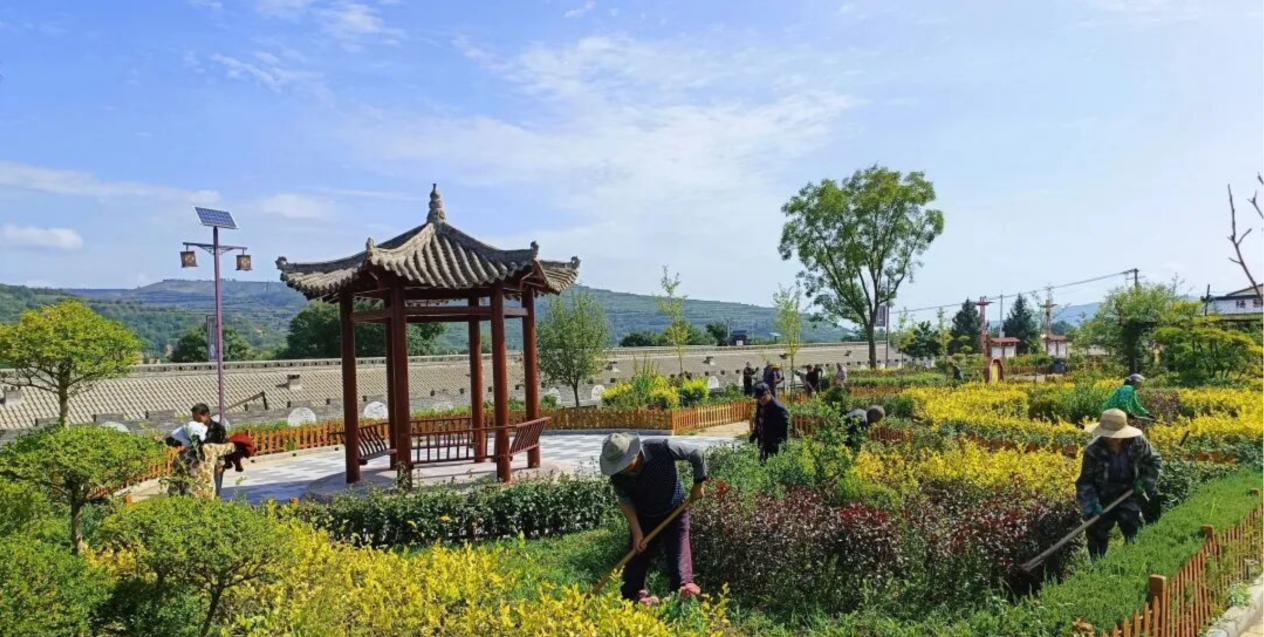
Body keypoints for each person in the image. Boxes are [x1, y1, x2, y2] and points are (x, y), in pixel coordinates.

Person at [600, 432, 707, 605]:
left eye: (623, 464)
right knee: (634, 567)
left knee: (680, 565)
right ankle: (636, 600)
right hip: (644, 518)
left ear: (633, 454)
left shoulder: (660, 448)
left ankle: (680, 600)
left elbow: (697, 453)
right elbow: (625, 501)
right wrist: (637, 532)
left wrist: (698, 484)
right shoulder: (617, 475)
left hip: (675, 512)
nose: (621, 469)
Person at [1076, 408, 1162, 560]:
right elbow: (1085, 482)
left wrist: (1144, 481)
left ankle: (1134, 562)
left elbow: (1154, 461)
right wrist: (1092, 506)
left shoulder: (1137, 442)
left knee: (1134, 529)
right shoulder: (1093, 450)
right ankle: (1098, 567)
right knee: (1096, 533)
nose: (1113, 439)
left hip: (1129, 492)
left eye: (1116, 435)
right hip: (1102, 496)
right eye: (1109, 436)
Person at [165, 403, 234, 499]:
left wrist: (220, 464)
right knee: (194, 487)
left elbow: (221, 446)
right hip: (195, 463)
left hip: (211, 461)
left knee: (214, 488)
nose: (196, 421)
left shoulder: (218, 429)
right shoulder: (192, 428)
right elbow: (178, 440)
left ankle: (216, 498)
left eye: (198, 419)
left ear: (207, 415)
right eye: (194, 419)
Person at [753, 383, 790, 461]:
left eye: (762, 398)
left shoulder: (778, 408)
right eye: (758, 398)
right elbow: (759, 419)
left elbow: (786, 428)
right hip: (763, 441)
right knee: (761, 462)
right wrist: (755, 432)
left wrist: (779, 444)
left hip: (773, 444)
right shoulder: (761, 403)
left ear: (769, 393)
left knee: (771, 463)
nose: (760, 400)